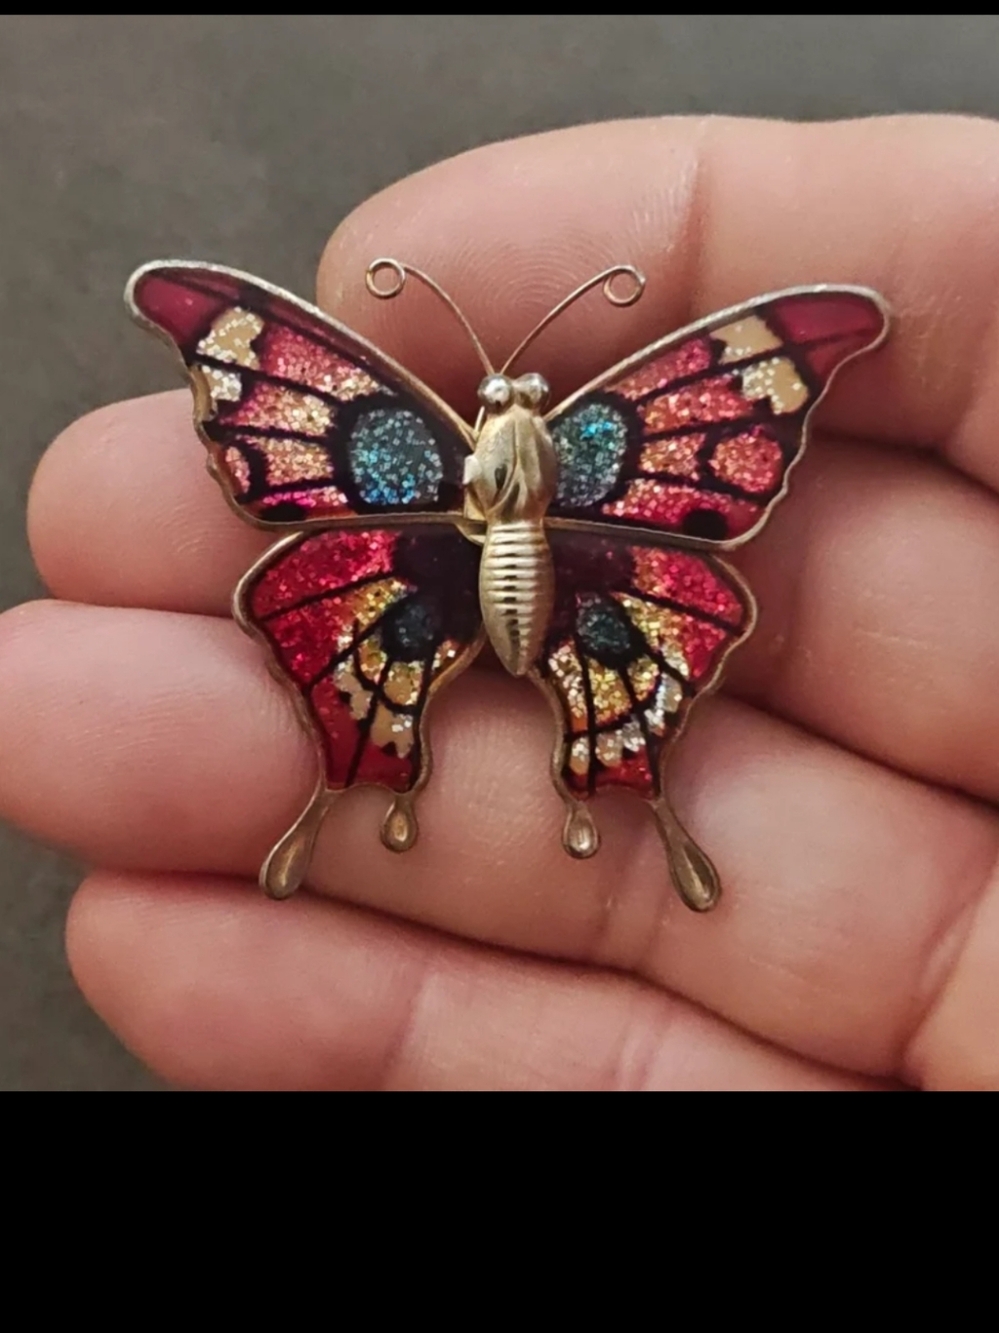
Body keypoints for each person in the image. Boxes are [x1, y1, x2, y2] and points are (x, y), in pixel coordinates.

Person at [4, 114, 998, 1091]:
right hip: (529, 582)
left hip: (477, 579)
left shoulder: (443, 437)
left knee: (378, 660)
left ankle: (405, 784)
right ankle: (536, 785)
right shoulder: (596, 439)